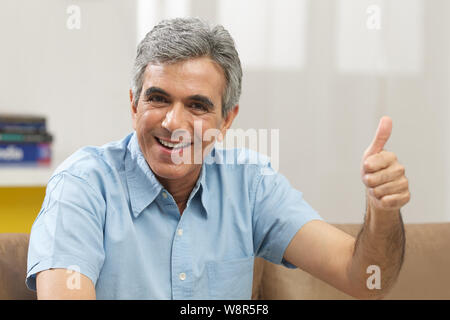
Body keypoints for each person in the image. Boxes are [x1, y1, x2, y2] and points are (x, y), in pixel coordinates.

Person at [26, 17, 410, 300]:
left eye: (197, 105)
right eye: (158, 98)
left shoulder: (250, 184)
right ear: (133, 103)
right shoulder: (82, 185)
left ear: (226, 120)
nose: (173, 122)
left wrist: (382, 210)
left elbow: (365, 279)